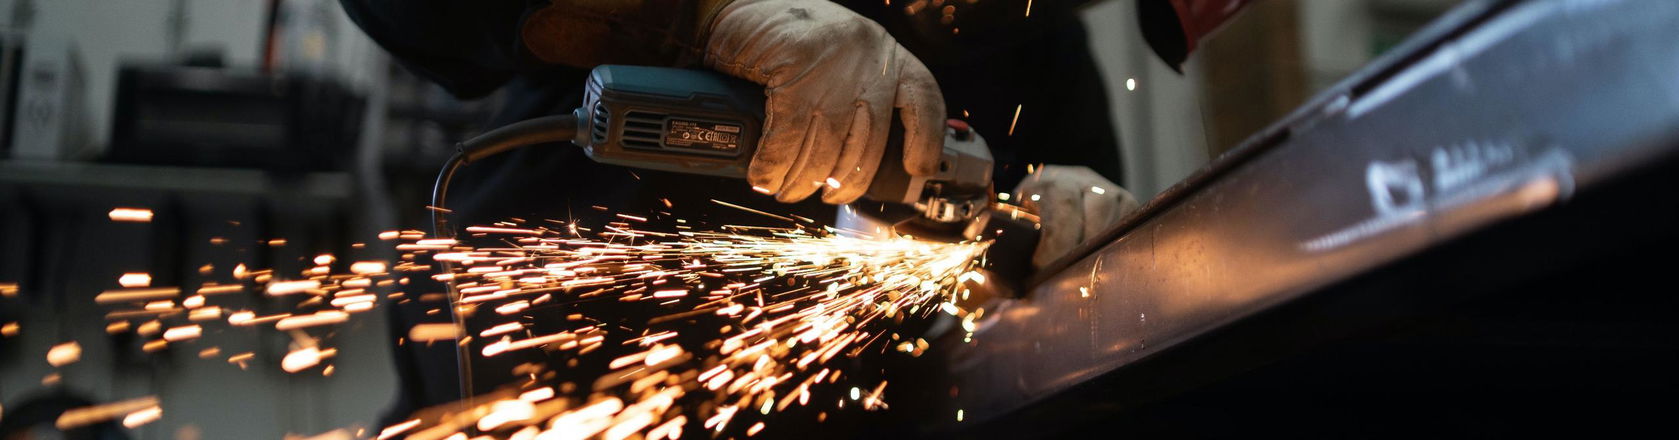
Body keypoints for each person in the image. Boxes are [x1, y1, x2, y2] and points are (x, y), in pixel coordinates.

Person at [339, 0, 1140, 422]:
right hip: (524, 372)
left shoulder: (1043, 51)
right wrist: (694, 14)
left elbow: (1055, 297)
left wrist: (1063, 240)